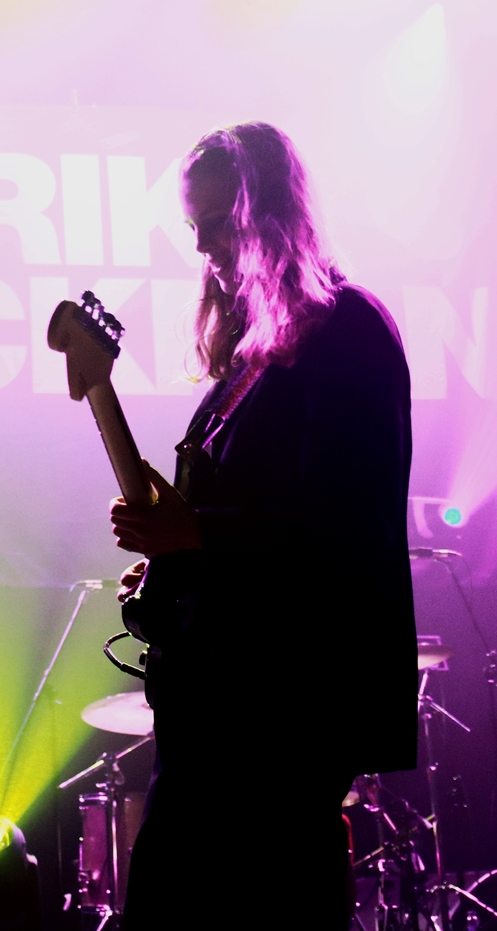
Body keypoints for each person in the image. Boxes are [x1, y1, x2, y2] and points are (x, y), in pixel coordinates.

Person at [109, 122, 418, 928]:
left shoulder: (348, 331)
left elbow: (352, 530)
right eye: (194, 226)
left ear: (274, 218)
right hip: (216, 708)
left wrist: (197, 536)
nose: (203, 247)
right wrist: (176, 565)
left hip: (286, 715)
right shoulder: (255, 354)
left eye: (220, 223)